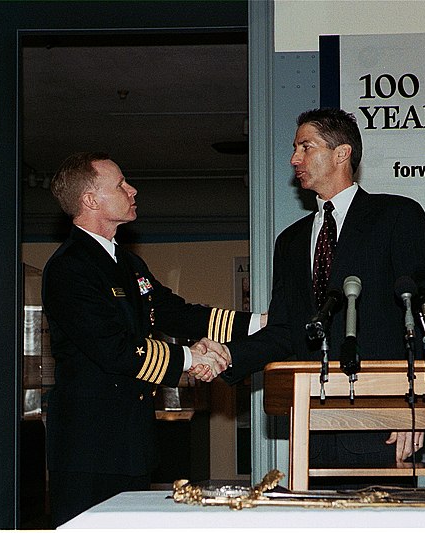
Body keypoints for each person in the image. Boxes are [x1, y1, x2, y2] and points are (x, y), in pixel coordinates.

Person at [42, 152, 262, 526]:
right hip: (89, 449)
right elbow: (114, 350)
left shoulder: (127, 264)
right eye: (120, 184)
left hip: (131, 443)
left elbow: (174, 313)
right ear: (90, 201)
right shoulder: (69, 268)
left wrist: (259, 324)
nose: (132, 189)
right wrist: (192, 359)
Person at [220, 108, 425, 472]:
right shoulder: (289, 241)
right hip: (314, 426)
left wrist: (416, 404)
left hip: (382, 422)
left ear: (342, 153)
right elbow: (284, 330)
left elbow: (422, 315)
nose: (294, 159)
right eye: (295, 149)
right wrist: (229, 356)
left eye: (305, 147)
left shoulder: (397, 215)